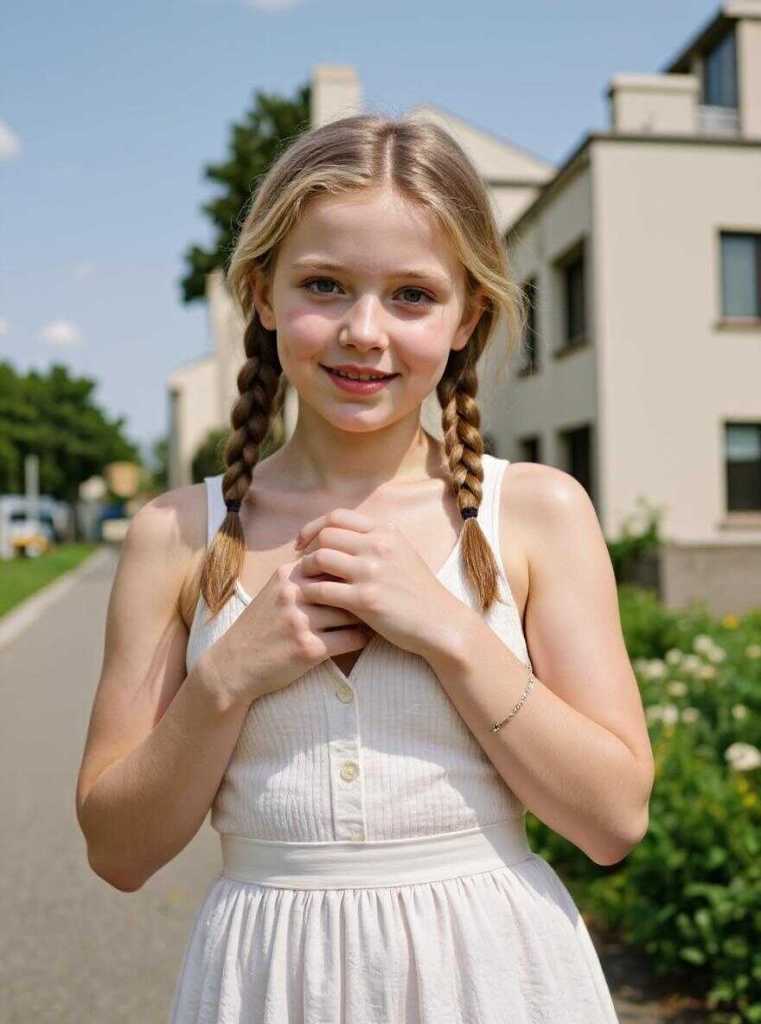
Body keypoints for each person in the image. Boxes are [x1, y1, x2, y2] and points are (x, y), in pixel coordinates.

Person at [76, 113, 655, 1023]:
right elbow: (117, 851)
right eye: (324, 285)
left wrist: (450, 633)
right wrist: (227, 676)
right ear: (261, 295)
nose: (363, 331)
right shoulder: (174, 534)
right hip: (268, 983)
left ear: (470, 314)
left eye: (412, 297)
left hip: (496, 978)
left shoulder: (537, 513)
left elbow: (613, 819)